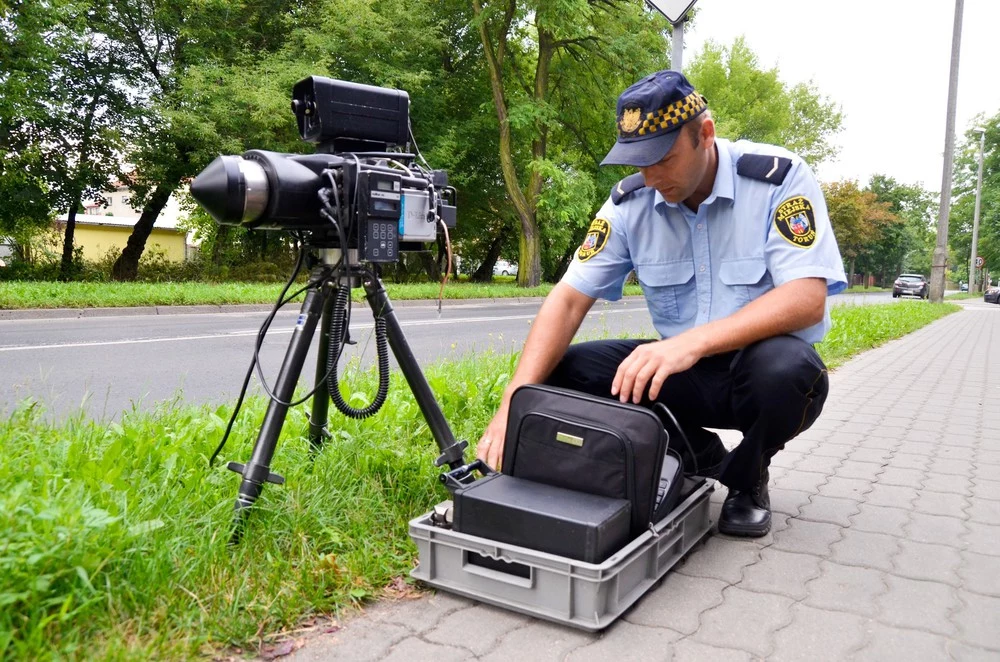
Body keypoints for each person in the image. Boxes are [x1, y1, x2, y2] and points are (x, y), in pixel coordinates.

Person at [475, 70, 847, 538]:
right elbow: (568, 300)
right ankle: (697, 457)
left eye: (664, 159)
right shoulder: (631, 203)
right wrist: (514, 402)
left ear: (705, 135)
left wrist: (690, 343)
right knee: (566, 372)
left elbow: (806, 299)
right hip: (682, 375)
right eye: (638, 163)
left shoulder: (777, 178)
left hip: (756, 369)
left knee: (789, 371)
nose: (650, 177)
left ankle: (747, 480)